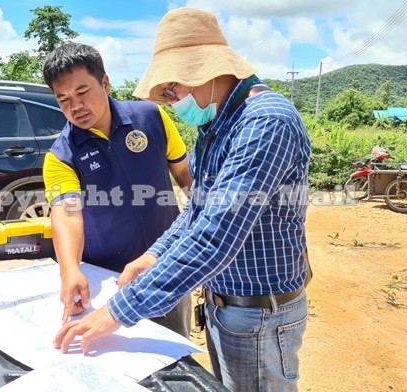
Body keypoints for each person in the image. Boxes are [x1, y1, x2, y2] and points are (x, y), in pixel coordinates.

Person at [53, 8, 312, 392]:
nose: (171, 99)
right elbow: (197, 210)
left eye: (173, 88)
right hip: (225, 304)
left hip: (260, 311)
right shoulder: (216, 125)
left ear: (206, 70)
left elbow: (216, 235)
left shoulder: (265, 122)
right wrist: (153, 256)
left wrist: (117, 313)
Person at [42, 42, 193, 338]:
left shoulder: (152, 119)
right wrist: (69, 270)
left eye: (82, 92)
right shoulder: (61, 156)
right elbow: (67, 214)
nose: (75, 107)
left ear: (105, 83)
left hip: (167, 267)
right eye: (64, 100)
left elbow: (186, 176)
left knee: (176, 349)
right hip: (112, 281)